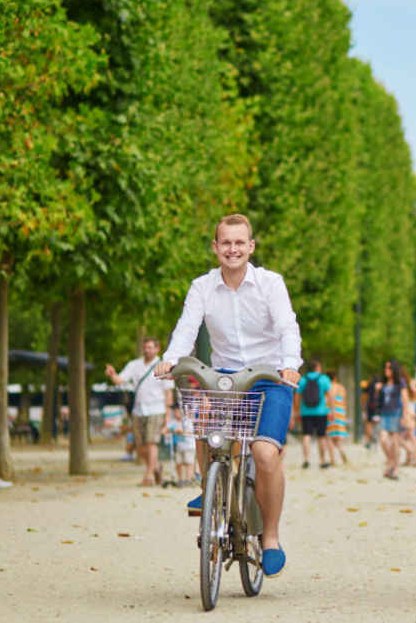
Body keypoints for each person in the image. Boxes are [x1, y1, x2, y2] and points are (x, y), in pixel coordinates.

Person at [156, 213, 301, 578]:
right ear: (215, 247)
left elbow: (287, 327)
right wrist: (170, 360)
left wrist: (289, 365)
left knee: (265, 453)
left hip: (270, 377)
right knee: (205, 426)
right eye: (226, 243)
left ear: (251, 247)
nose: (233, 249)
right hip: (225, 377)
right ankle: (211, 494)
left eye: (240, 243)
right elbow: (186, 328)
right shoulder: (202, 287)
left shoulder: (271, 283)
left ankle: (270, 537)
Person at [105, 337, 173, 486]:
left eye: (150, 347)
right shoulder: (134, 365)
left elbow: (168, 392)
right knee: (140, 445)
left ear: (157, 349)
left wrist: (168, 415)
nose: (147, 350)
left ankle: (148, 476)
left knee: (151, 442)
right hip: (138, 409)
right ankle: (155, 466)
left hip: (156, 408)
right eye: (145, 347)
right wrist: (112, 374)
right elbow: (120, 380)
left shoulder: (162, 366)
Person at [375, 359, 412, 480]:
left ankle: (395, 468)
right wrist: (377, 390)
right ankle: (390, 462)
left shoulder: (400, 382)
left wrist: (404, 416)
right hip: (385, 413)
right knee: (384, 440)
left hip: (396, 413)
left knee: (396, 443)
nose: (386, 370)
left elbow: (405, 399)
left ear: (394, 370)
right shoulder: (383, 382)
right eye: (385, 367)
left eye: (389, 368)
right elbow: (378, 400)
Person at [293, 360, 331, 470]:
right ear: (318, 368)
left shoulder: (303, 380)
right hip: (321, 412)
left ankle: (306, 460)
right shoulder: (324, 379)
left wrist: (297, 411)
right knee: (321, 436)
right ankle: (322, 460)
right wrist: (332, 410)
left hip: (306, 412)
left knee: (306, 435)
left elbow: (297, 397)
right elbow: (330, 395)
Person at [162, 405, 196, 487]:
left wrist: (181, 431)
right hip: (179, 446)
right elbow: (164, 430)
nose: (177, 413)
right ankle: (180, 479)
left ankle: (188, 479)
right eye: (176, 411)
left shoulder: (187, 421)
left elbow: (190, 432)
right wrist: (167, 428)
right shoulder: (172, 421)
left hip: (189, 446)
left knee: (188, 463)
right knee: (178, 463)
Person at [324, 371, 349, 466]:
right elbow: (344, 400)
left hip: (330, 410)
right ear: (335, 377)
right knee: (336, 437)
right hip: (340, 411)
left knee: (329, 436)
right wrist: (344, 413)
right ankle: (341, 449)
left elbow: (326, 399)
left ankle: (332, 459)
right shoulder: (340, 387)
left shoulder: (327, 386)